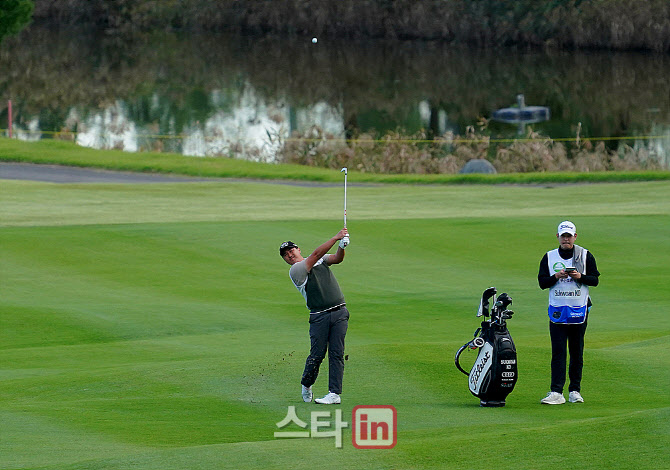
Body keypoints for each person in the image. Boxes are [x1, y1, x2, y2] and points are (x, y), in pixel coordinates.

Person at [280, 228, 350, 405]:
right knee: (317, 355)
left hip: (340, 311)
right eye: (286, 254)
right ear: (285, 260)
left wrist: (342, 246)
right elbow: (318, 253)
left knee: (337, 353)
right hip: (319, 316)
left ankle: (334, 393)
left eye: (291, 250)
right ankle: (306, 384)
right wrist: (336, 237)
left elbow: (336, 259)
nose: (290, 254)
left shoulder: (318, 259)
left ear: (298, 249)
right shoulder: (296, 271)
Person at [537, 221, 600, 405]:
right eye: (563, 236)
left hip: (579, 309)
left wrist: (580, 277)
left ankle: (574, 390)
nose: (566, 239)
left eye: (569, 236)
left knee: (576, 351)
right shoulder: (549, 257)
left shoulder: (585, 255)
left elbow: (594, 280)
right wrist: (556, 277)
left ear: (575, 237)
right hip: (557, 309)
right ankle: (556, 392)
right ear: (558, 237)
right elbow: (542, 283)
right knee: (558, 352)